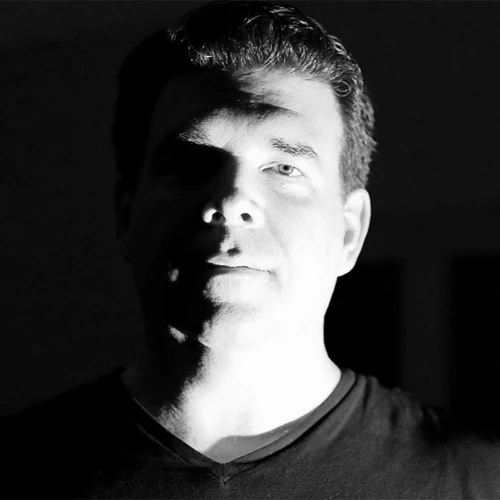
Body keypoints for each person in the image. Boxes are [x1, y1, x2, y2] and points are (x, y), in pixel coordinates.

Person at [1, 1, 499, 498]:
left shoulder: (476, 481)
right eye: (191, 165)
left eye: (284, 168)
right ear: (127, 217)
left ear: (349, 232)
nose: (231, 200)